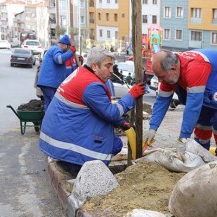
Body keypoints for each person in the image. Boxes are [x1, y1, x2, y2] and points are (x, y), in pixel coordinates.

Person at [38, 47, 146, 176]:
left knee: (115, 142)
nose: (112, 71)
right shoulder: (91, 85)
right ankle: (79, 170)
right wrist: (131, 96)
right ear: (95, 66)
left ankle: (75, 164)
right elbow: (110, 112)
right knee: (112, 144)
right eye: (108, 66)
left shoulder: (82, 73)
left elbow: (98, 108)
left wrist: (120, 122)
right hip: (63, 141)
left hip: (57, 136)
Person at [143, 49, 217, 158]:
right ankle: (200, 152)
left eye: (161, 76)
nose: (160, 81)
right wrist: (153, 128)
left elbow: (192, 107)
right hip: (210, 81)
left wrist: (183, 138)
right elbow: (161, 101)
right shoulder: (169, 73)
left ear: (173, 69)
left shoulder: (194, 68)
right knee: (203, 117)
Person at [37, 35, 76, 111]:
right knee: (55, 105)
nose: (67, 51)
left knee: (49, 105)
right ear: (65, 45)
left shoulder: (53, 49)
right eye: (68, 48)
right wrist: (71, 52)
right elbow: (59, 60)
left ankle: (47, 122)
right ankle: (52, 122)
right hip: (50, 84)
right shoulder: (57, 49)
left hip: (47, 83)